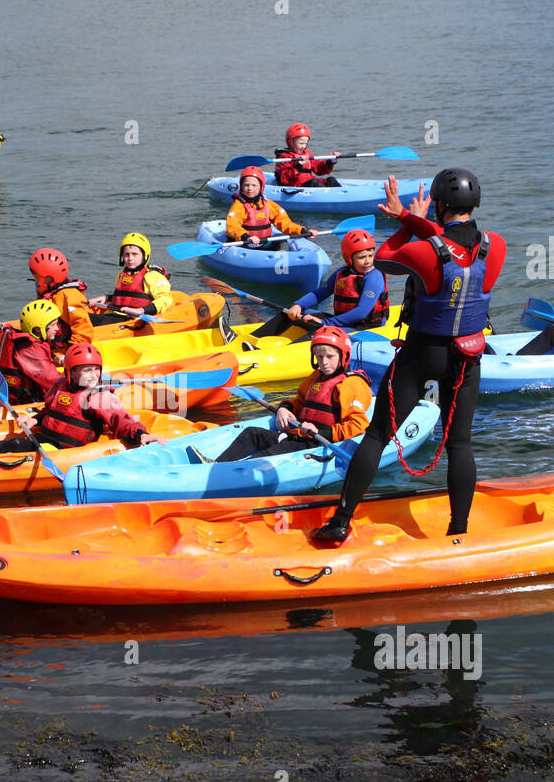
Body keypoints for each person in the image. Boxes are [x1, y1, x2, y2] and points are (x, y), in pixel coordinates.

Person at [312, 168, 506, 543]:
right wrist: (410, 216)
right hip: (467, 359)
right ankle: (458, 531)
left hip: (422, 354)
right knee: (460, 443)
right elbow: (451, 243)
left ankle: (341, 521)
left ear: (439, 205)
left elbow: (384, 258)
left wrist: (404, 221)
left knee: (378, 435)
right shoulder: (495, 245)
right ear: (476, 203)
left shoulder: (421, 249)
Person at [0, 343, 165, 454]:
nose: (92, 375)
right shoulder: (61, 386)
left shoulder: (99, 397)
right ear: (70, 372)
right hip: (45, 437)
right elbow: (50, 411)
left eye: (95, 370)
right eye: (85, 370)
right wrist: (36, 420)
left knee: (4, 445)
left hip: (62, 449)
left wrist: (141, 435)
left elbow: (121, 420)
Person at [196, 327, 371, 463]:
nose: (324, 362)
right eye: (319, 356)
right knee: (251, 433)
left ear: (343, 356)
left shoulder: (351, 384)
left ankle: (229, 474)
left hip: (317, 443)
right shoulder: (315, 378)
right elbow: (299, 402)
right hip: (298, 434)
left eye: (330, 356)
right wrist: (284, 408)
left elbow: (358, 426)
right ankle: (217, 464)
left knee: (268, 455)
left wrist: (321, 432)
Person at [285, 229, 390, 331]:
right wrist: (298, 305)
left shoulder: (374, 276)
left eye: (370, 256)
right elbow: (319, 294)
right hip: (346, 323)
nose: (367, 261)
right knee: (298, 313)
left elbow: (361, 312)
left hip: (367, 327)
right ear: (348, 258)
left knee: (317, 329)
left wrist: (325, 323)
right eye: (361, 257)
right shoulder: (342, 273)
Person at [88, 232, 175, 325]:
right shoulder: (122, 274)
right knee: (83, 317)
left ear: (144, 256)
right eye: (126, 254)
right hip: (115, 314)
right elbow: (126, 296)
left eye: (135, 254)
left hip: (133, 318)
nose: (130, 258)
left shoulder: (153, 275)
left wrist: (141, 310)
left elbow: (165, 299)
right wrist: (106, 297)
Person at [225, 166, 317, 250]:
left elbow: (285, 224)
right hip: (245, 244)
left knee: (280, 243)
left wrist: (303, 231)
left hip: (263, 242)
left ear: (261, 187)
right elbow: (232, 226)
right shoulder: (239, 206)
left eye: (254, 185)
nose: (250, 188)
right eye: (246, 185)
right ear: (241, 187)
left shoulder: (269, 205)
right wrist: (246, 237)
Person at [0, 299, 66, 404]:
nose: (57, 328)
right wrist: (77, 372)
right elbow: (56, 382)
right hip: (27, 402)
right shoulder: (30, 350)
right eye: (53, 324)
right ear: (38, 329)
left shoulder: (28, 345)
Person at [30, 247, 94, 344]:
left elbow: (83, 329)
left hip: (67, 343)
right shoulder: (47, 293)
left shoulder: (69, 296)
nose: (36, 281)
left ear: (50, 278)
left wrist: (70, 351)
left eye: (37, 278)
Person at [274, 123, 340, 188]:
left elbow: (319, 169)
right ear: (290, 142)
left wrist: (330, 161)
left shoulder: (307, 153)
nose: (303, 146)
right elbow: (285, 179)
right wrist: (298, 165)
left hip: (309, 182)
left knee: (331, 180)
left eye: (305, 143)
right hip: (296, 185)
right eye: (301, 143)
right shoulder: (284, 157)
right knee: (314, 183)